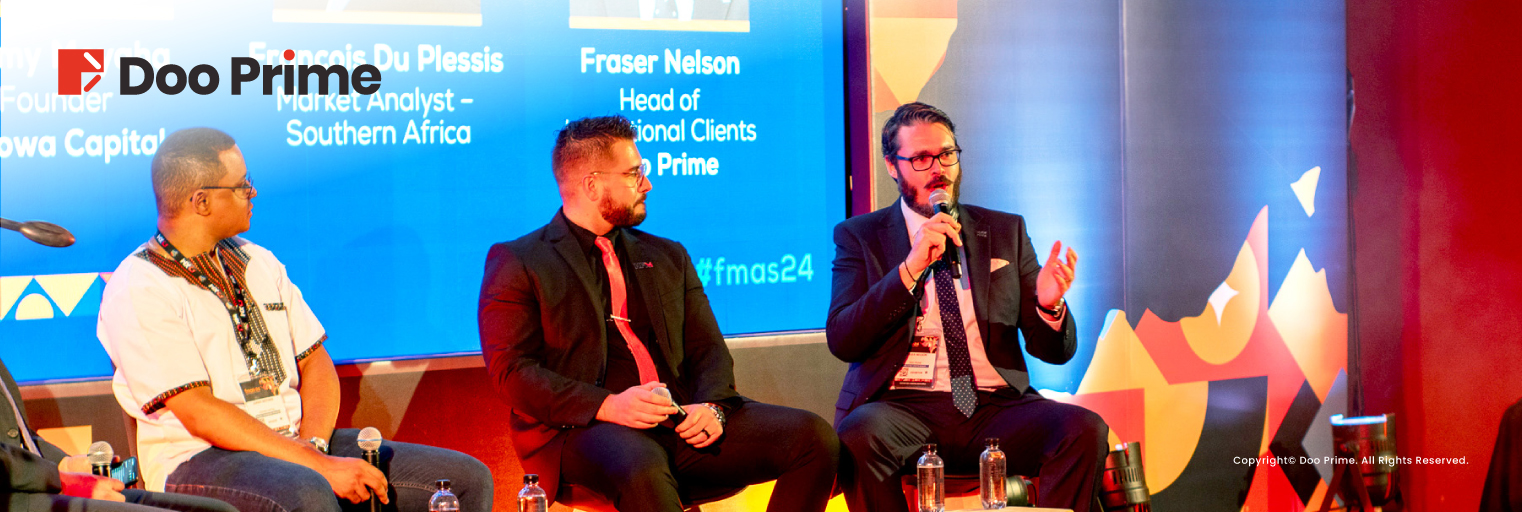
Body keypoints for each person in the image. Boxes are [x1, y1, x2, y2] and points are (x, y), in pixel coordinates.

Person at [96, 127, 492, 512]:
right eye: (241, 185)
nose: (252, 193)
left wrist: (314, 447)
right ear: (201, 202)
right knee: (306, 491)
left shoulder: (258, 261)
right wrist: (315, 466)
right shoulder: (140, 285)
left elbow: (315, 362)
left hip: (296, 442)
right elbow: (199, 412)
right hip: (200, 457)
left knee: (465, 480)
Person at [478, 115, 839, 512]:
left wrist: (713, 407)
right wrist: (607, 404)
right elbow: (513, 373)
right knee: (642, 464)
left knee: (813, 438)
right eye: (634, 173)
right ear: (592, 185)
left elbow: (708, 350)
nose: (647, 184)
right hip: (581, 430)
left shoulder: (667, 255)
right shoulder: (521, 260)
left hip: (678, 418)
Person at [828, 102, 1108, 512]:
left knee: (1083, 429)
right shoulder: (860, 236)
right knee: (860, 435)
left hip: (995, 406)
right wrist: (910, 268)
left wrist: (1049, 306)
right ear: (892, 166)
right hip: (902, 407)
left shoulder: (1004, 230)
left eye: (946, 154)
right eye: (921, 159)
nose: (938, 169)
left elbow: (1053, 351)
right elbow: (844, 339)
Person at [1, 358, 238, 512]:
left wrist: (64, 464)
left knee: (219, 510)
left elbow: (14, 435)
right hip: (15, 497)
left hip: (30, 481)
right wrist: (59, 480)